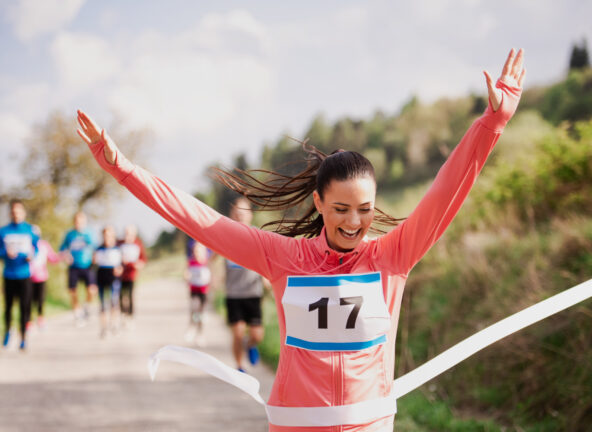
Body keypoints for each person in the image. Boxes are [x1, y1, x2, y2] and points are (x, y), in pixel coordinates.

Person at [77, 49, 525, 431]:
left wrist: (492, 123)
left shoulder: (393, 256)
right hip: (296, 424)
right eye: (341, 209)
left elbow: (447, 190)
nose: (354, 222)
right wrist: (122, 168)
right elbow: (196, 218)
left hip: (368, 423)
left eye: (365, 210)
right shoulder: (283, 257)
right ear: (318, 203)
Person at [223, 197, 265, 371]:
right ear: (232, 215)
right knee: (238, 333)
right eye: (236, 212)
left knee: (257, 335)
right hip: (234, 294)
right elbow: (212, 255)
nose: (240, 215)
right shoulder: (225, 237)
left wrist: (267, 278)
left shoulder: (258, 236)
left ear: (250, 215)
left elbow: (266, 260)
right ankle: (240, 366)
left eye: (243, 212)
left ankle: (251, 344)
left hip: (253, 292)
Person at [0, 200, 39, 350]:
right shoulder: (3, 231)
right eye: (13, 212)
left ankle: (23, 337)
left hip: (25, 274)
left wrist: (32, 255)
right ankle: (7, 332)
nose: (16, 214)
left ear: (23, 213)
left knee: (25, 307)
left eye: (18, 212)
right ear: (10, 213)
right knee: (8, 307)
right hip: (9, 274)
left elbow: (36, 248)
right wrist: (5, 253)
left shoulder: (30, 230)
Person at [59, 211, 97, 325]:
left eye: (81, 221)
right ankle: (77, 312)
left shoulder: (89, 234)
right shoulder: (69, 235)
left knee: (92, 290)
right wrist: (66, 256)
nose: (79, 223)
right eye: (77, 221)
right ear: (74, 222)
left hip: (87, 265)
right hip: (74, 266)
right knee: (72, 291)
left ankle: (87, 305)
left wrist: (95, 258)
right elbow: (62, 249)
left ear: (84, 222)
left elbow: (95, 248)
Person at [29, 225, 61, 330]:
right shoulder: (27, 245)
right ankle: (28, 321)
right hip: (28, 276)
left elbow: (52, 258)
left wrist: (62, 256)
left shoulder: (44, 245)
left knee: (40, 299)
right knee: (28, 299)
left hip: (41, 276)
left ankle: (40, 318)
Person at [94, 225, 123, 338]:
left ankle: (114, 324)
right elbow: (93, 266)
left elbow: (122, 264)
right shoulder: (98, 249)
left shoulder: (117, 248)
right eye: (105, 235)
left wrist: (120, 269)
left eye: (110, 235)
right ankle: (103, 327)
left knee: (114, 302)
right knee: (102, 304)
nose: (107, 237)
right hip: (101, 277)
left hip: (114, 279)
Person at [184, 240, 211, 346]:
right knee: (194, 310)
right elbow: (186, 273)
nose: (197, 253)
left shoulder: (206, 263)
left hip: (203, 292)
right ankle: (191, 328)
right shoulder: (191, 262)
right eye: (195, 251)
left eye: (199, 251)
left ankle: (201, 334)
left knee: (201, 314)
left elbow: (211, 276)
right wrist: (186, 277)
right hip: (194, 290)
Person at [118, 224, 146, 323]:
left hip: (132, 274)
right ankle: (122, 313)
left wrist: (138, 265)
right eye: (126, 233)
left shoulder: (138, 244)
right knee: (120, 295)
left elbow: (143, 260)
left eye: (130, 234)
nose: (128, 236)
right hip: (120, 275)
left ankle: (130, 315)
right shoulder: (119, 243)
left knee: (130, 295)